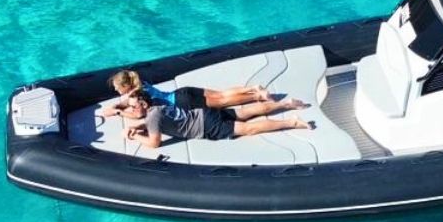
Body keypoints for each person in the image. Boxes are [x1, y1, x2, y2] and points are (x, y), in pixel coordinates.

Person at [120, 85, 314, 149]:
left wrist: (132, 136)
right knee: (246, 112)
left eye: (133, 107)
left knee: (248, 128)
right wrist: (139, 126)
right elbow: (155, 121)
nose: (131, 112)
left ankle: (292, 122)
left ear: (143, 105)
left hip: (206, 127)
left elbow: (154, 143)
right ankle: (284, 104)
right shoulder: (158, 106)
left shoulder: (152, 118)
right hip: (204, 114)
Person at [97, 68, 293, 120]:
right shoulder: (142, 84)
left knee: (223, 102)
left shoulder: (133, 95)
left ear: (125, 86)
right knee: (222, 94)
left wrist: (118, 112)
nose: (115, 90)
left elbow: (138, 113)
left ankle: (256, 96)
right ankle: (254, 88)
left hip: (183, 103)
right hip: (182, 92)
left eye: (116, 87)